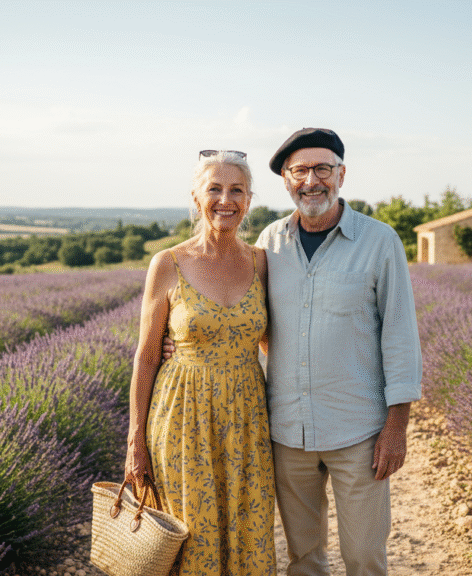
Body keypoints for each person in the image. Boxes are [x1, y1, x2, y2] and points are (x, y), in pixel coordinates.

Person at [259, 128, 422, 576]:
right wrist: (179, 341)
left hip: (359, 433)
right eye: (300, 170)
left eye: (322, 168)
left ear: (341, 175)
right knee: (304, 559)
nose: (312, 180)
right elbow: (242, 318)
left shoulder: (380, 241)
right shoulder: (267, 244)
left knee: (365, 557)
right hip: (288, 431)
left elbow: (401, 338)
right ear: (287, 181)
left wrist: (396, 428)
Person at [125, 149, 275, 575]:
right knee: (192, 536)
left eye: (237, 190)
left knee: (251, 529)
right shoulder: (168, 264)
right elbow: (147, 356)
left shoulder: (261, 262)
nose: (225, 199)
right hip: (182, 419)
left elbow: (271, 341)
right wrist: (135, 442)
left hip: (248, 421)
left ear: (248, 201)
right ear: (196, 197)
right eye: (214, 188)